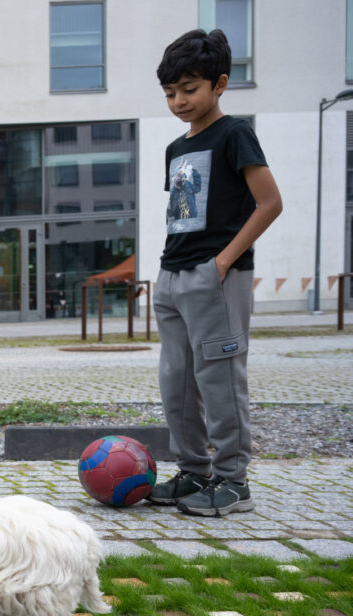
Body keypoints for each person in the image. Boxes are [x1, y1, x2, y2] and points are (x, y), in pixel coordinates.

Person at [145, 28, 281, 517]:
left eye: (190, 89)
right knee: (176, 379)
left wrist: (223, 262)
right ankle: (192, 472)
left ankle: (232, 480)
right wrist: (168, 273)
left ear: (220, 84)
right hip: (173, 275)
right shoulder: (175, 149)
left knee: (220, 379)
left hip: (216, 277)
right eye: (170, 93)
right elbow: (185, 212)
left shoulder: (236, 134)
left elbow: (270, 203)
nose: (180, 101)